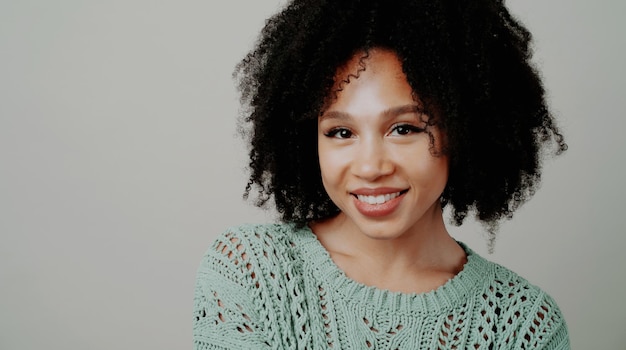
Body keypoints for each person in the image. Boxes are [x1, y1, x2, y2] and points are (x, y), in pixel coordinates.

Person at [193, 0, 570, 348]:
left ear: (465, 129)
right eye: (341, 133)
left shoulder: (523, 326)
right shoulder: (250, 271)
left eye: (404, 128)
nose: (371, 167)